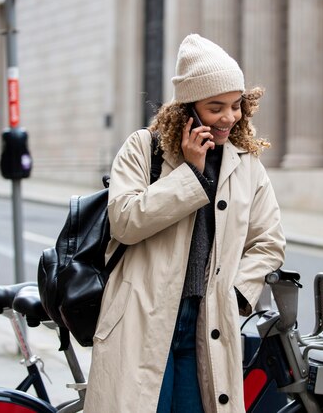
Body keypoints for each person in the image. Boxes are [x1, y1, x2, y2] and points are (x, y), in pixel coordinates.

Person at [84, 34, 286, 413]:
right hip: (141, 318)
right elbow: (124, 221)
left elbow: (269, 242)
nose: (229, 118)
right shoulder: (144, 149)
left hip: (207, 323)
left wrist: (236, 293)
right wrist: (190, 174)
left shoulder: (245, 163)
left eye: (236, 105)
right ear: (188, 109)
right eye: (215, 108)